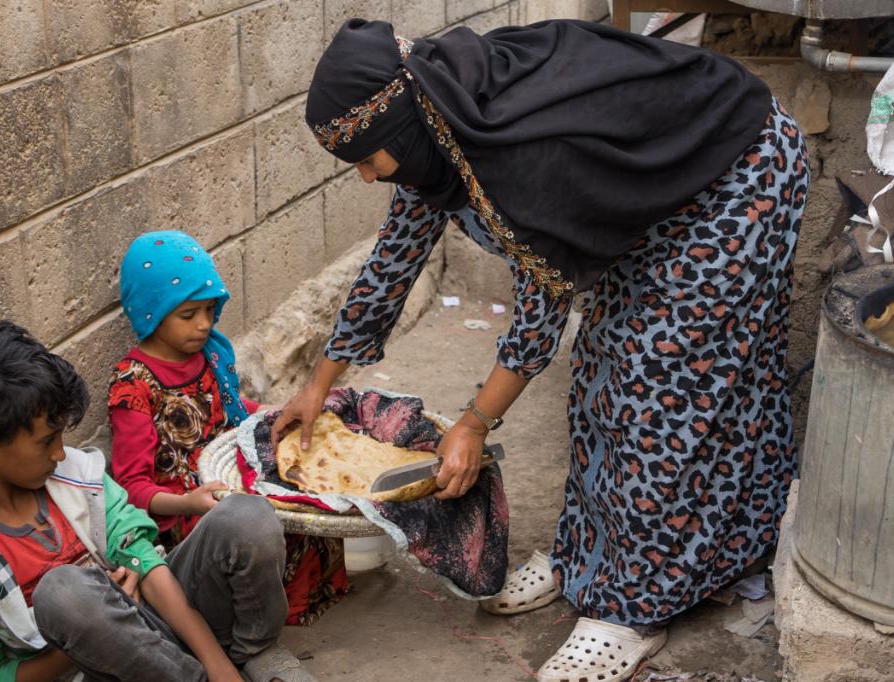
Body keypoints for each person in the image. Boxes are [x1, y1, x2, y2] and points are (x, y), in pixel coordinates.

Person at [275, 18, 808, 682]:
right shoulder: (440, 126)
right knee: (600, 376)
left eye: (365, 158)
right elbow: (391, 263)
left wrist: (474, 423)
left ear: (398, 129)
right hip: (650, 198)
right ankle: (583, 555)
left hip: (733, 175)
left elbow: (538, 319)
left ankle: (634, 606)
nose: (364, 177)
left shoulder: (518, 152)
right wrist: (318, 387)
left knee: (661, 389)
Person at [0, 321, 313, 682]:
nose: (61, 453)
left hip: (167, 620)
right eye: (47, 441)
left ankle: (253, 653)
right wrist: (86, 633)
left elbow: (146, 564)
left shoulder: (76, 475)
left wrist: (218, 664)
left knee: (246, 516)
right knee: (65, 593)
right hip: (97, 669)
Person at [109, 230, 347, 625]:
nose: (204, 325)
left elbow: (229, 410)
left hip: (229, 476)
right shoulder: (133, 386)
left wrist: (276, 411)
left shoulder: (208, 356)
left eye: (209, 310)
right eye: (188, 314)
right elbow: (132, 488)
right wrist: (188, 501)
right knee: (265, 524)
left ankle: (304, 601)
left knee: (309, 498)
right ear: (150, 310)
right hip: (189, 509)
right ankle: (258, 621)